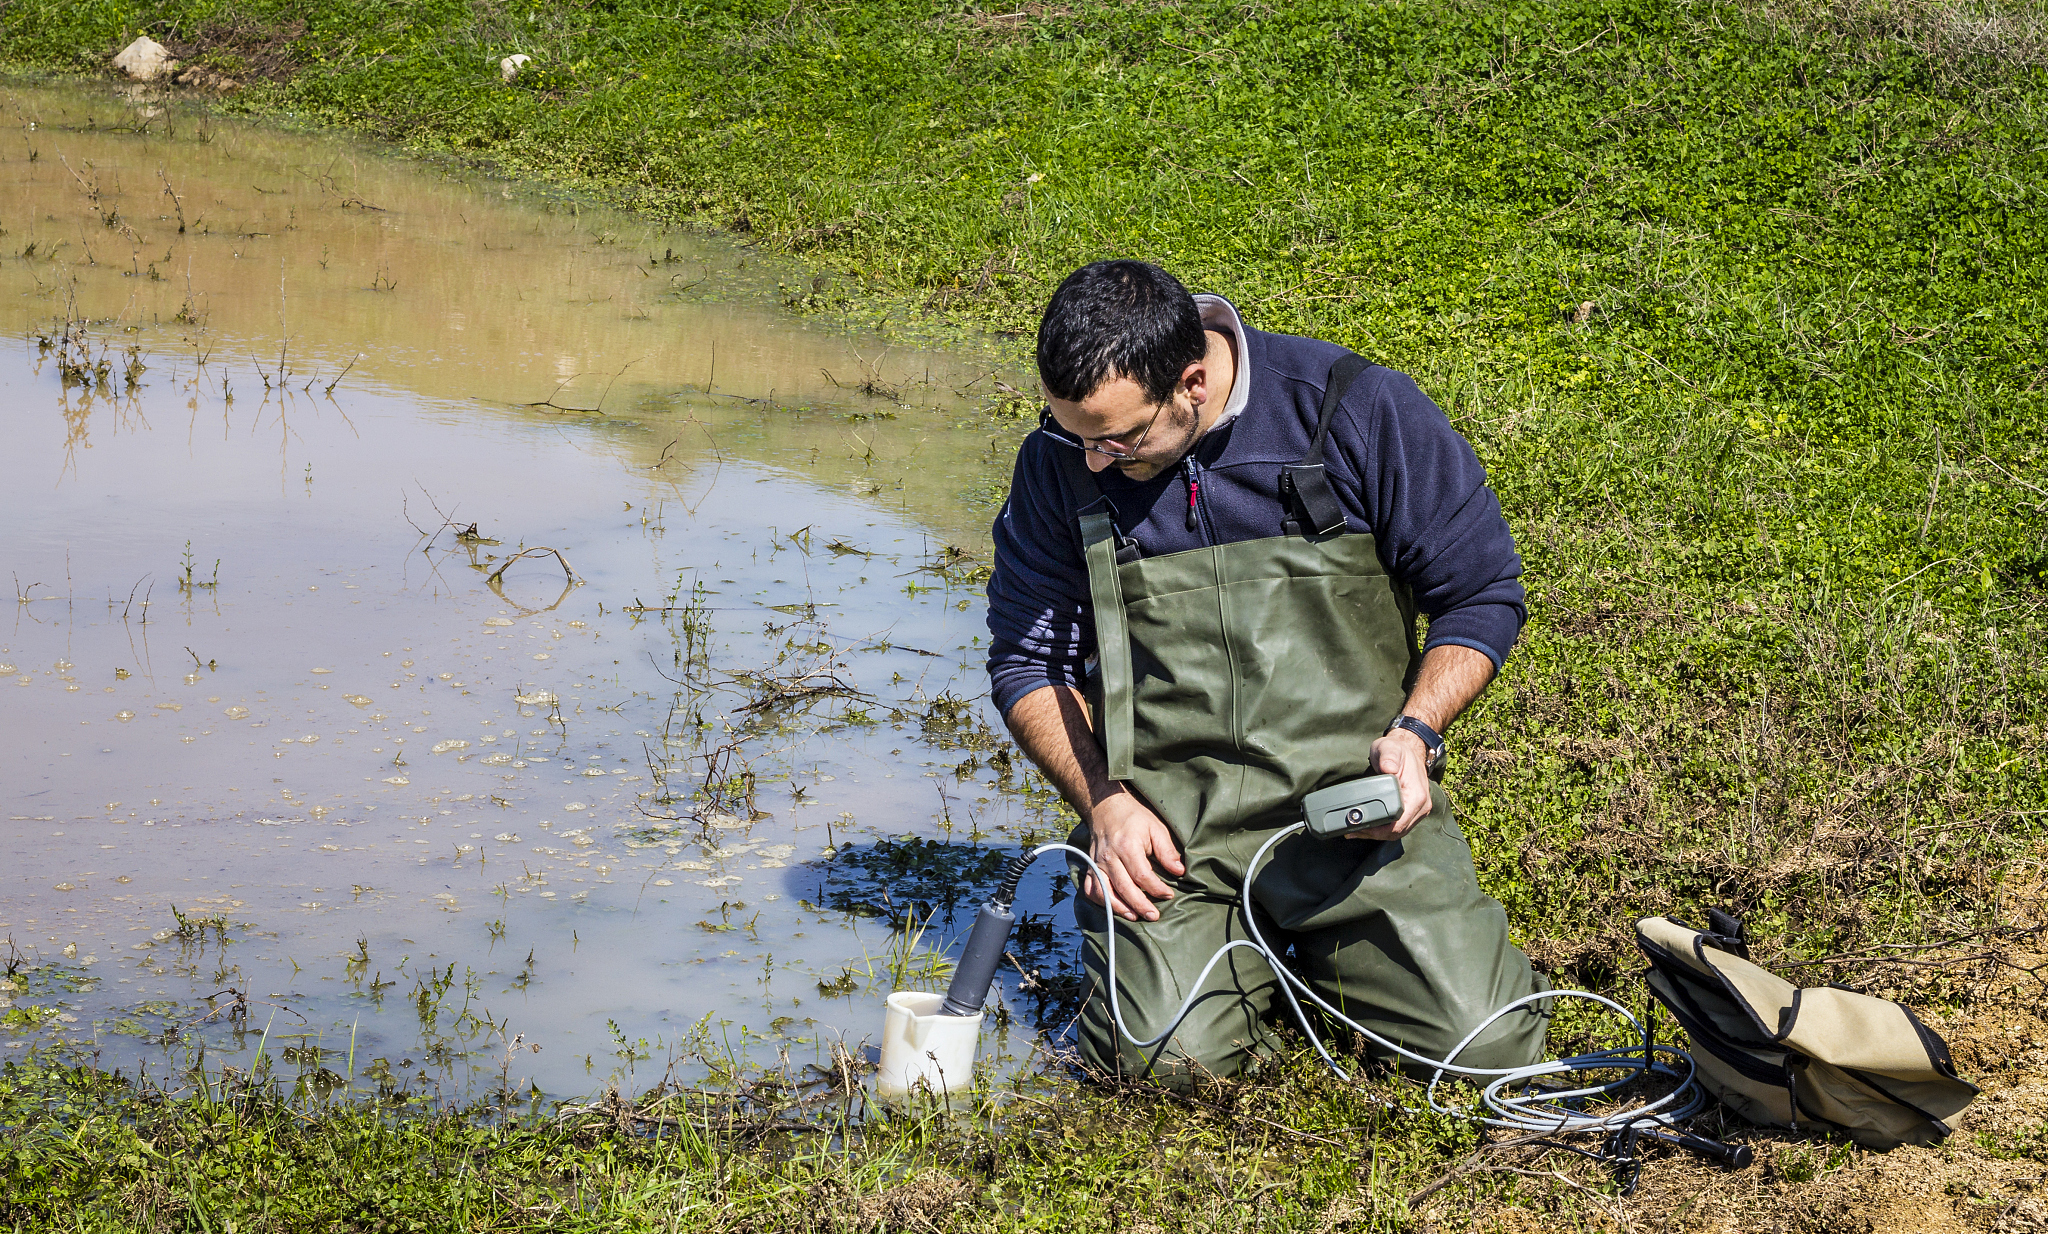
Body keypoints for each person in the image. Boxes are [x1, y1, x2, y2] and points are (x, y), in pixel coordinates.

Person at [984, 259, 1549, 1084]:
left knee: (1489, 1052)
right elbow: (1030, 660)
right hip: (1173, 836)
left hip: (1349, 820)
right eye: (1075, 435)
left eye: (1119, 438)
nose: (1093, 461)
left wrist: (1416, 732)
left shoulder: (1352, 407)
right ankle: (1233, 964)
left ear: (1193, 381)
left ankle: (1316, 959)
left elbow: (1481, 594)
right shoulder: (1057, 461)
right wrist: (1104, 804)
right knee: (1163, 1068)